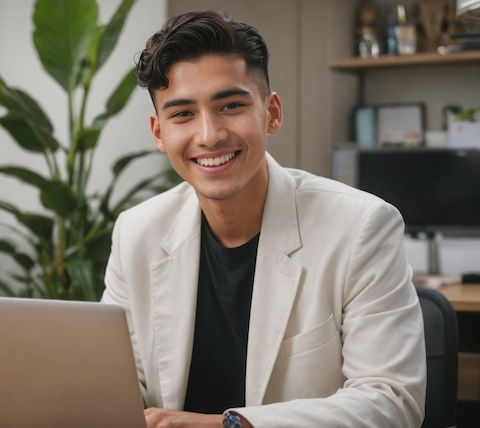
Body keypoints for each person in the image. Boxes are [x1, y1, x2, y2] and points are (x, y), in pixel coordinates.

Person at [101, 10, 426, 428]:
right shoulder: (137, 232)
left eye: (230, 105)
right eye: (182, 114)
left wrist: (228, 425)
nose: (209, 135)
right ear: (159, 132)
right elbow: (119, 387)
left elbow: (392, 400)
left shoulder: (362, 226)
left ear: (271, 113)